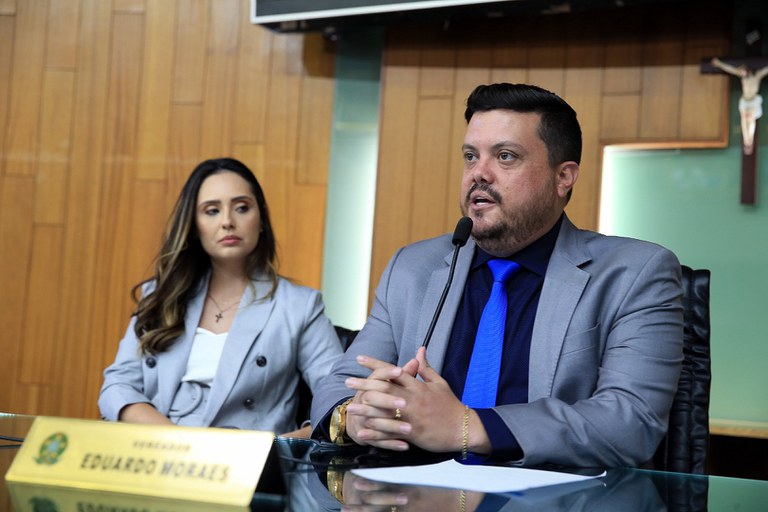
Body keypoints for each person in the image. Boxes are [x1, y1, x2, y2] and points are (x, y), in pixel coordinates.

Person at [310, 83, 684, 468]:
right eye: (471, 156)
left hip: (552, 494)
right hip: (414, 491)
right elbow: (340, 384)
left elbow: (630, 422)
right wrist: (353, 419)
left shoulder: (634, 273)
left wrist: (467, 427)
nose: (479, 173)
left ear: (563, 177)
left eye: (505, 156)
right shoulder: (412, 267)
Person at [99, 157, 343, 435]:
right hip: (159, 448)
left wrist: (277, 447)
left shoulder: (299, 305)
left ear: (261, 220)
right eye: (212, 211)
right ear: (194, 225)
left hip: (248, 458)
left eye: (241, 208)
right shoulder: (161, 295)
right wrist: (176, 442)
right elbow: (118, 385)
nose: (227, 222)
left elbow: (339, 404)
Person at [711, 57, 768, 155]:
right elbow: (730, 69)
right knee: (745, 118)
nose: (742, 73)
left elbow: (765, 70)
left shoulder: (757, 76)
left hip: (753, 101)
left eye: (743, 71)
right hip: (745, 101)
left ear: (748, 70)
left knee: (750, 119)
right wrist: (719, 64)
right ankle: (748, 140)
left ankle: (748, 141)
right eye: (741, 72)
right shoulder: (743, 77)